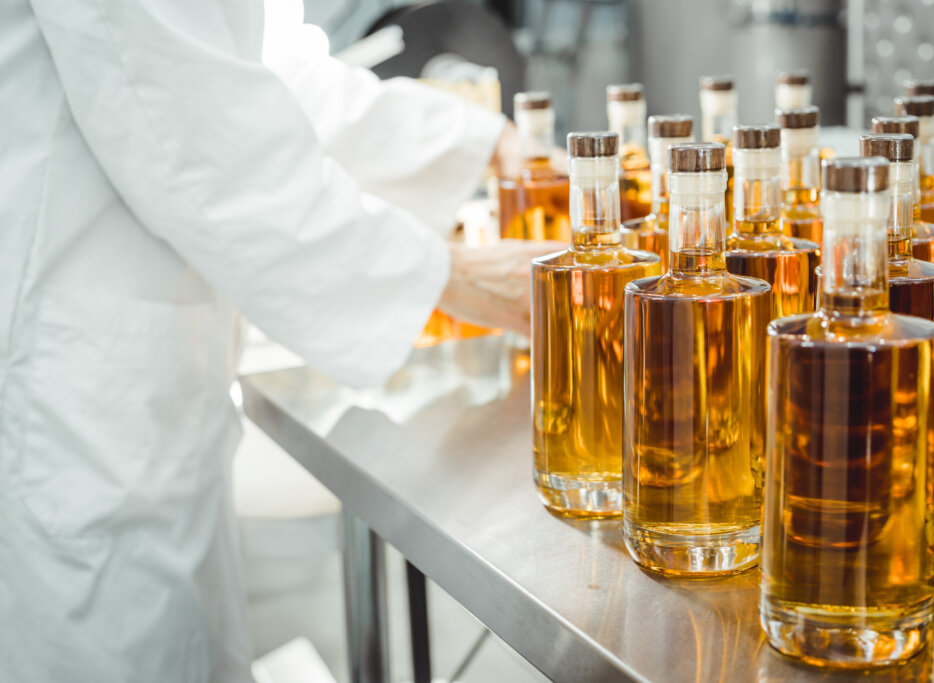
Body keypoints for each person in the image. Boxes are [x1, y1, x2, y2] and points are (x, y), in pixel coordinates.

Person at [1, 1, 557, 681]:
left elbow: (260, 79)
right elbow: (203, 144)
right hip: (64, 389)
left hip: (129, 380)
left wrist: (479, 138)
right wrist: (453, 276)